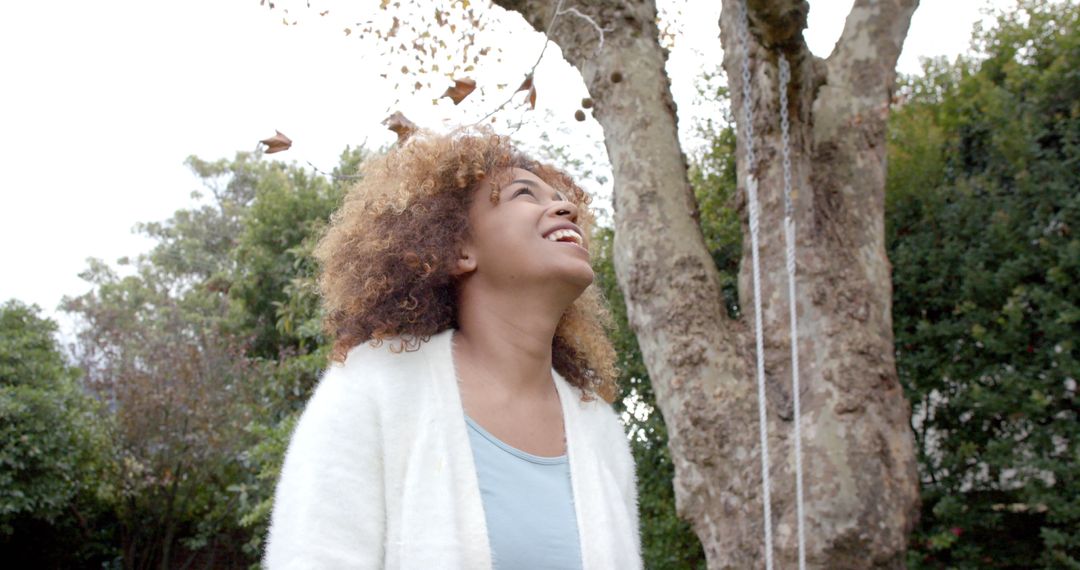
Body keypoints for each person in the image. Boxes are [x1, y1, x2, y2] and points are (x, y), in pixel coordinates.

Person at [263, 128, 641, 569]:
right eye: (524, 194)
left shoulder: (600, 429)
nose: (566, 207)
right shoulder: (374, 384)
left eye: (561, 197)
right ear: (459, 247)